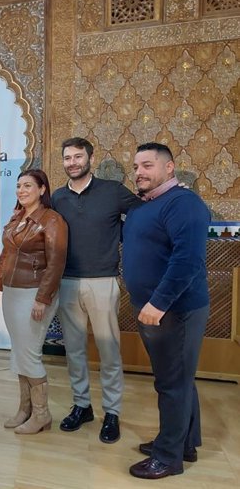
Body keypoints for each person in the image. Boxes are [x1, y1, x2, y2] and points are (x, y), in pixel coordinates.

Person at [122, 143, 210, 479]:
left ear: (169, 168)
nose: (139, 172)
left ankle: (168, 457)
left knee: (172, 384)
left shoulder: (183, 203)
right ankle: (183, 443)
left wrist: (158, 303)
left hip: (175, 310)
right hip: (153, 310)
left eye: (147, 165)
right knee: (179, 380)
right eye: (135, 166)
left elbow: (187, 261)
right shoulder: (148, 205)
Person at [51, 137, 142, 444]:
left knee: (108, 351)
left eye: (78, 157)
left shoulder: (113, 191)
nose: (72, 162)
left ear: (90, 158)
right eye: (67, 158)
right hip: (67, 282)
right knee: (74, 350)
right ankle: (82, 406)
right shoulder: (57, 197)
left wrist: (170, 196)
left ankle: (112, 412)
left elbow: (145, 214)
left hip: (103, 281)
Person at [0, 169, 67, 434]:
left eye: (28, 186)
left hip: (34, 294)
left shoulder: (52, 220)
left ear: (42, 189)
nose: (22, 191)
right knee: (20, 352)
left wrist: (42, 298)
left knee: (30, 353)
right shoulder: (17, 218)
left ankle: (42, 414)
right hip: (12, 292)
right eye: (19, 186)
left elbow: (56, 263)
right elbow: (6, 256)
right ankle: (26, 409)